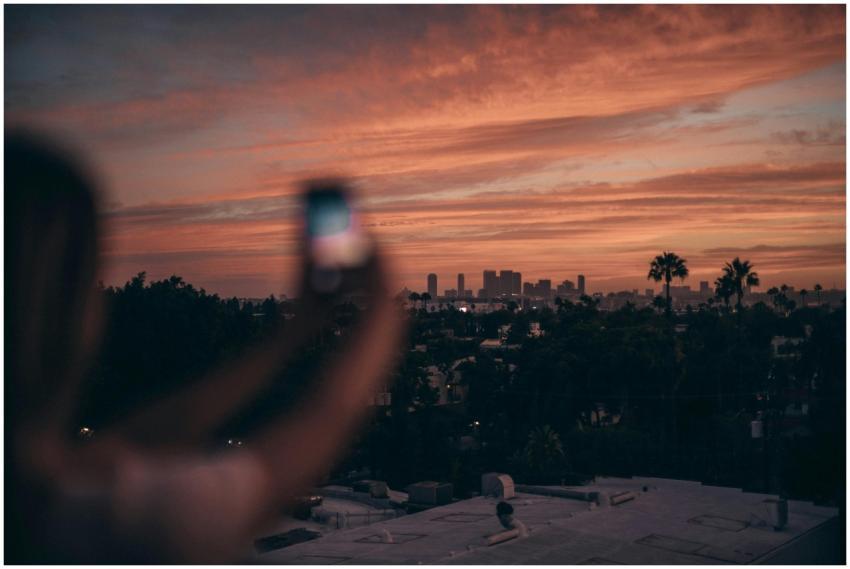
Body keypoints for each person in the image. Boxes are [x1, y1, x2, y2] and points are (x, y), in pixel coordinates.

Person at [5, 130, 404, 563]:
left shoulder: (42, 494)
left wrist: (291, 336)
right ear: (61, 311)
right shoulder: (105, 522)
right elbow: (327, 415)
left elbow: (135, 442)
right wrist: (382, 305)